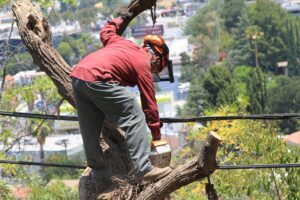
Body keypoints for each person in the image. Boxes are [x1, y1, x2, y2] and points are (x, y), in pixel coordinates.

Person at [70, 10, 172, 188]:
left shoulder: (122, 42)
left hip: (78, 76)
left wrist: (122, 18)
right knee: (134, 114)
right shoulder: (143, 62)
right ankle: (143, 170)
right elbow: (150, 104)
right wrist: (156, 136)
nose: (154, 71)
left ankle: (99, 176)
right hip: (98, 78)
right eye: (157, 68)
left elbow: (106, 32)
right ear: (155, 58)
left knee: (90, 129)